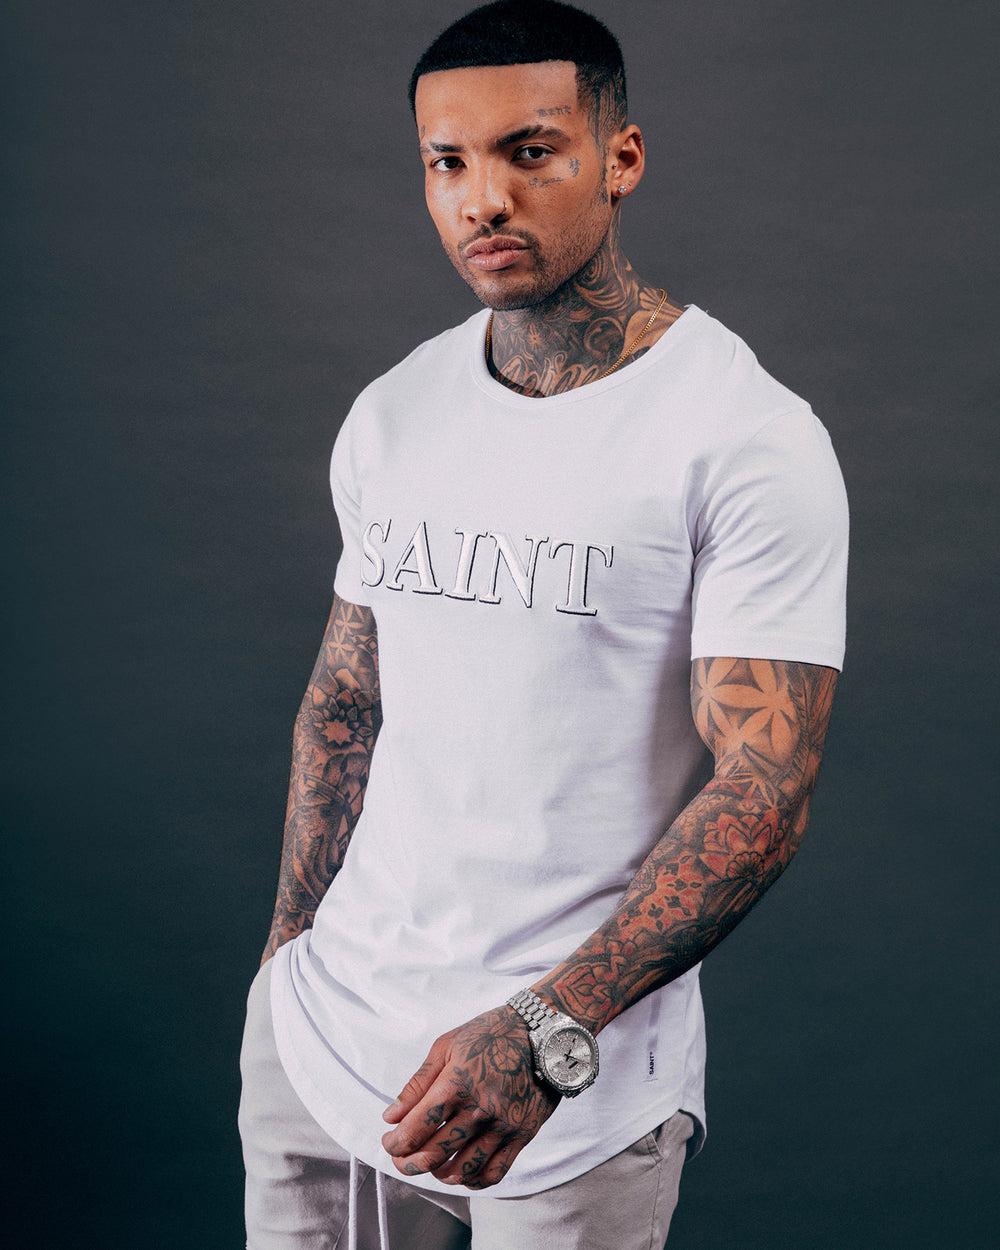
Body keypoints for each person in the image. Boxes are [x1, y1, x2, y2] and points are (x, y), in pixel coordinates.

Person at [238, 2, 849, 1247]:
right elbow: (347, 700)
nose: (483, 199)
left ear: (620, 159)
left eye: (529, 152)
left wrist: (543, 1031)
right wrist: (284, 960)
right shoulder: (396, 410)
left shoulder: (745, 437)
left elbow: (763, 787)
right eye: (446, 162)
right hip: (324, 1048)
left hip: (569, 1096)